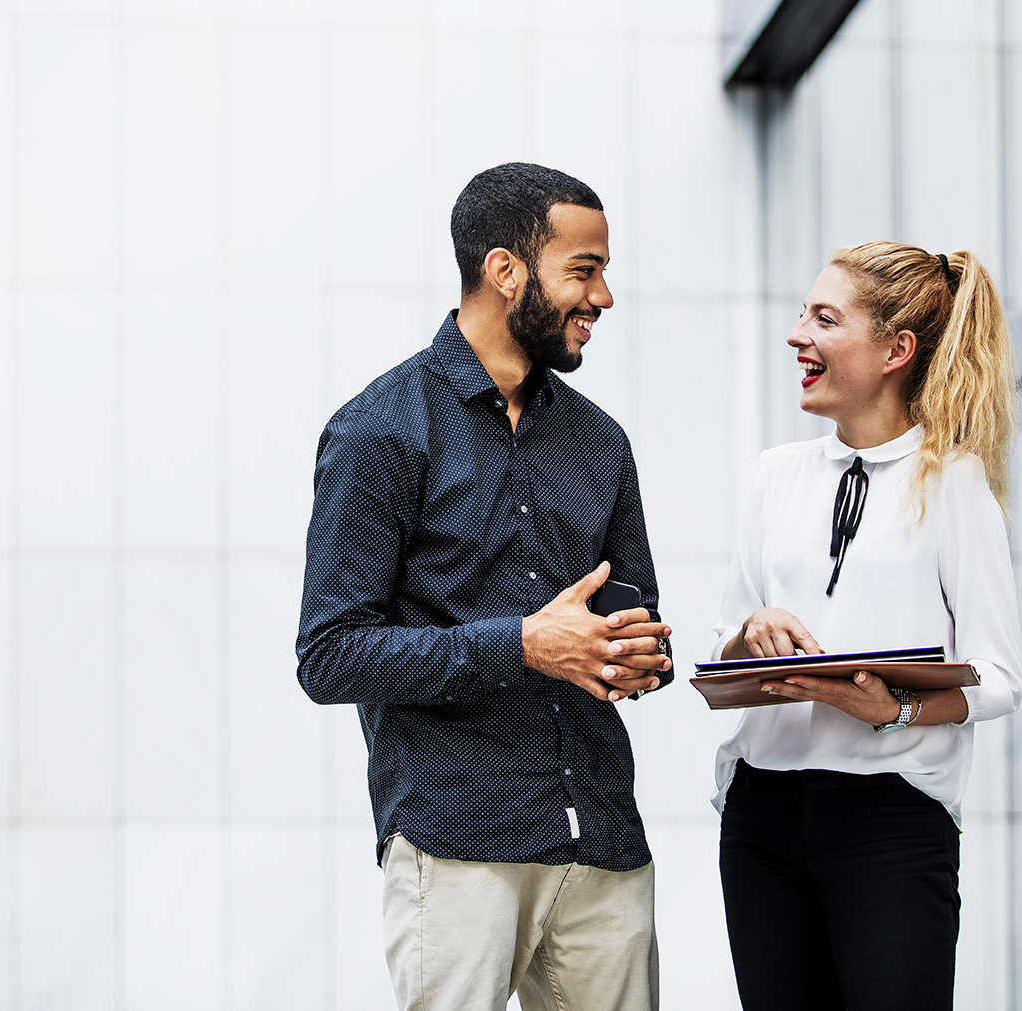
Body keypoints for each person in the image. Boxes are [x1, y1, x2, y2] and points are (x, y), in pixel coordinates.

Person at [296, 163, 674, 1011]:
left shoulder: (600, 442)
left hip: (602, 840)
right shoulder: (378, 431)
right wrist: (522, 645)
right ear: (504, 270)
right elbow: (328, 654)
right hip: (457, 840)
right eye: (583, 270)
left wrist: (635, 653)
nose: (603, 296)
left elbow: (636, 616)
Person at [710, 242, 1022, 1009]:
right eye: (802, 314)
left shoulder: (953, 482)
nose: (797, 334)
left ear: (894, 349)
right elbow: (722, 646)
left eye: (823, 318)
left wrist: (895, 710)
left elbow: (998, 678)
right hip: (761, 812)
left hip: (890, 820)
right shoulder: (774, 474)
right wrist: (751, 632)